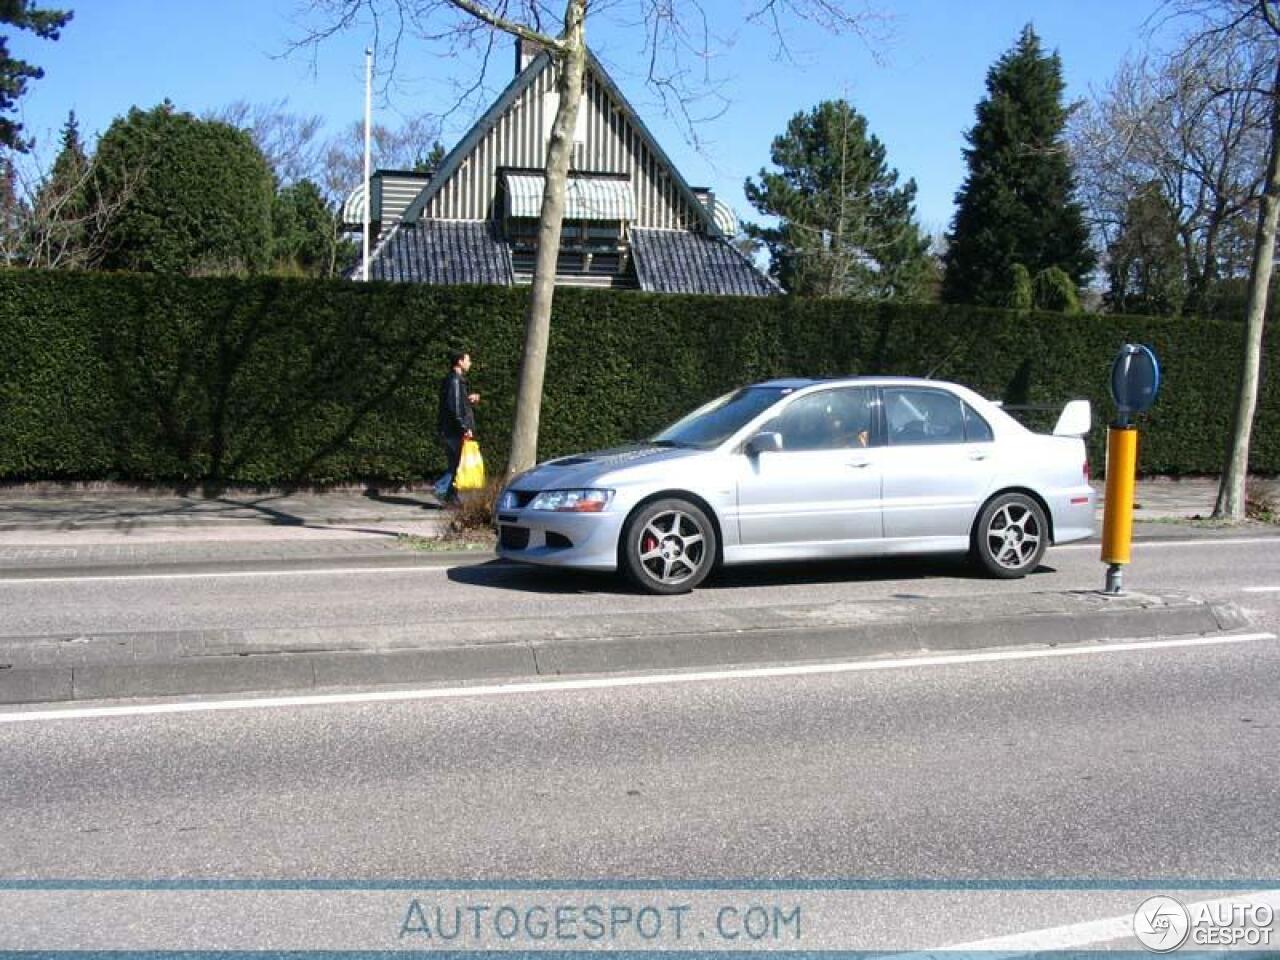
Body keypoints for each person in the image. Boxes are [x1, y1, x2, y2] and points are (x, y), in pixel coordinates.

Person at [437, 350, 480, 503]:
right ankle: (441, 489)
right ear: (460, 362)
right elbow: (454, 408)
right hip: (454, 431)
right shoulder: (455, 381)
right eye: (468, 360)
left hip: (451, 429)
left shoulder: (455, 380)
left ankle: (451, 497)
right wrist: (464, 427)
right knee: (456, 464)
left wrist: (468, 400)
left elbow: (456, 403)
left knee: (456, 463)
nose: (470, 363)